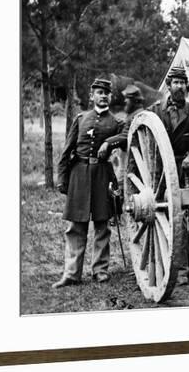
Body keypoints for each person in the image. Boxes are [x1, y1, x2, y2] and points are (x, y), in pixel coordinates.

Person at [52, 78, 126, 288]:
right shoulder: (81, 118)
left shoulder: (116, 122)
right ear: (91, 95)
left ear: (110, 97)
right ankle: (71, 273)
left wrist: (108, 142)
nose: (103, 96)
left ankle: (100, 271)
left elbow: (127, 134)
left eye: (106, 93)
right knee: (76, 226)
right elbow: (67, 149)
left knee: (102, 225)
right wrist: (63, 178)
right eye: (99, 92)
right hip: (79, 175)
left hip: (103, 174)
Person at [148, 66, 189, 285]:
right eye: (175, 82)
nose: (179, 86)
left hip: (183, 169)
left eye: (182, 83)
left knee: (182, 219)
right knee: (159, 217)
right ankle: (159, 263)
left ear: (186, 87)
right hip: (160, 172)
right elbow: (137, 128)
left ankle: (182, 269)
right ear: (168, 86)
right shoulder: (155, 111)